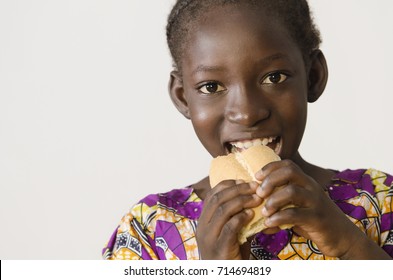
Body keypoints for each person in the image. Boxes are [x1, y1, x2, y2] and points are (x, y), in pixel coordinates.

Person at [102, 0, 393, 260]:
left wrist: (350, 246)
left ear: (313, 77)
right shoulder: (149, 232)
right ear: (182, 97)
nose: (247, 113)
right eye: (211, 87)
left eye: (274, 77)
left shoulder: (380, 202)